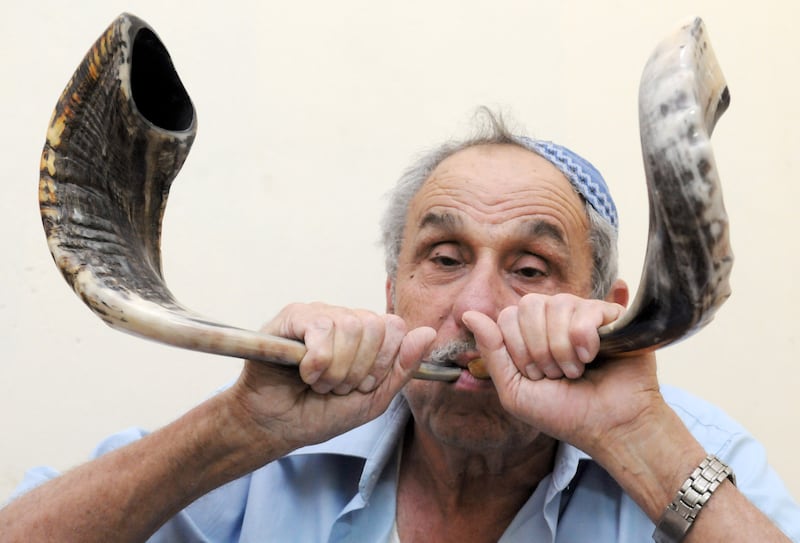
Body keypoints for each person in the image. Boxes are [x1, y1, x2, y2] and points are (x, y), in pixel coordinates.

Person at [2, 110, 799, 542]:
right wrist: (236, 429)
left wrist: (646, 445)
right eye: (445, 257)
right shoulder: (273, 446)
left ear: (606, 308)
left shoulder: (682, 446)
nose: (478, 308)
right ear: (392, 295)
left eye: (529, 270)